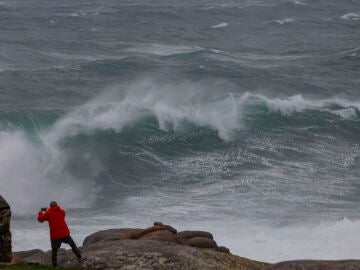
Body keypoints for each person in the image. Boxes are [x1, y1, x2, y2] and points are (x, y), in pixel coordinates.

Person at [37, 201, 83, 267]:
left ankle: (54, 265)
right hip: (65, 234)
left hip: (55, 236)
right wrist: (49, 211)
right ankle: (79, 257)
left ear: (50, 207)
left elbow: (40, 219)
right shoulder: (62, 211)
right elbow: (55, 216)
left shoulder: (48, 213)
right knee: (72, 245)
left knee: (54, 251)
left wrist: (40, 213)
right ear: (57, 205)